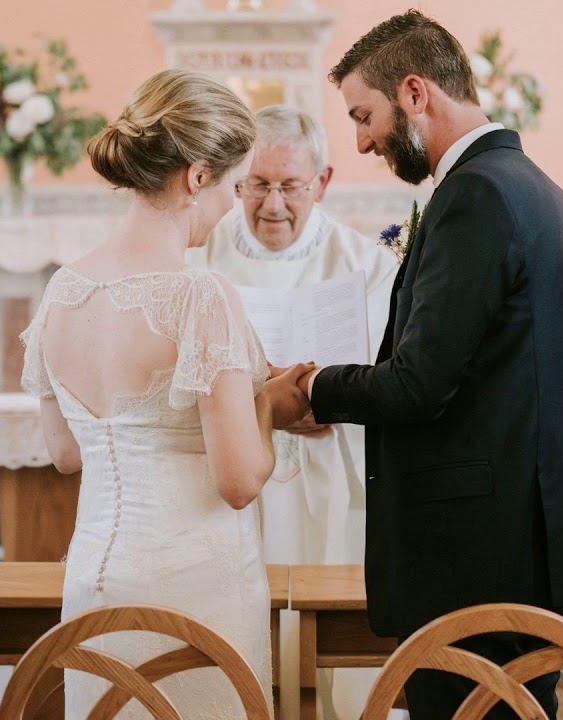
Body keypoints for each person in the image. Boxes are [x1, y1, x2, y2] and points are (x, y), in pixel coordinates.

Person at [291, 10, 563, 719]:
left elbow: (419, 383)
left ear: (415, 92)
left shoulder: (477, 195)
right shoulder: (539, 191)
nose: (362, 139)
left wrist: (313, 387)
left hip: (474, 555)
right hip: (526, 540)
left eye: (364, 115)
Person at [19, 68, 313, 719]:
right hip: (193, 587)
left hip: (94, 581)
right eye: (236, 186)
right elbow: (238, 481)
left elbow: (66, 454)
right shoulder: (198, 295)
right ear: (197, 177)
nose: (235, 205)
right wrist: (268, 404)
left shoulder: (63, 290)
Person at [187, 103, 401, 720]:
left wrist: (329, 396)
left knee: (327, 636)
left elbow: (391, 373)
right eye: (257, 185)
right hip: (232, 476)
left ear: (322, 182)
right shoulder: (201, 259)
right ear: (236, 181)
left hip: (329, 471)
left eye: (290, 186)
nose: (273, 204)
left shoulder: (366, 265)